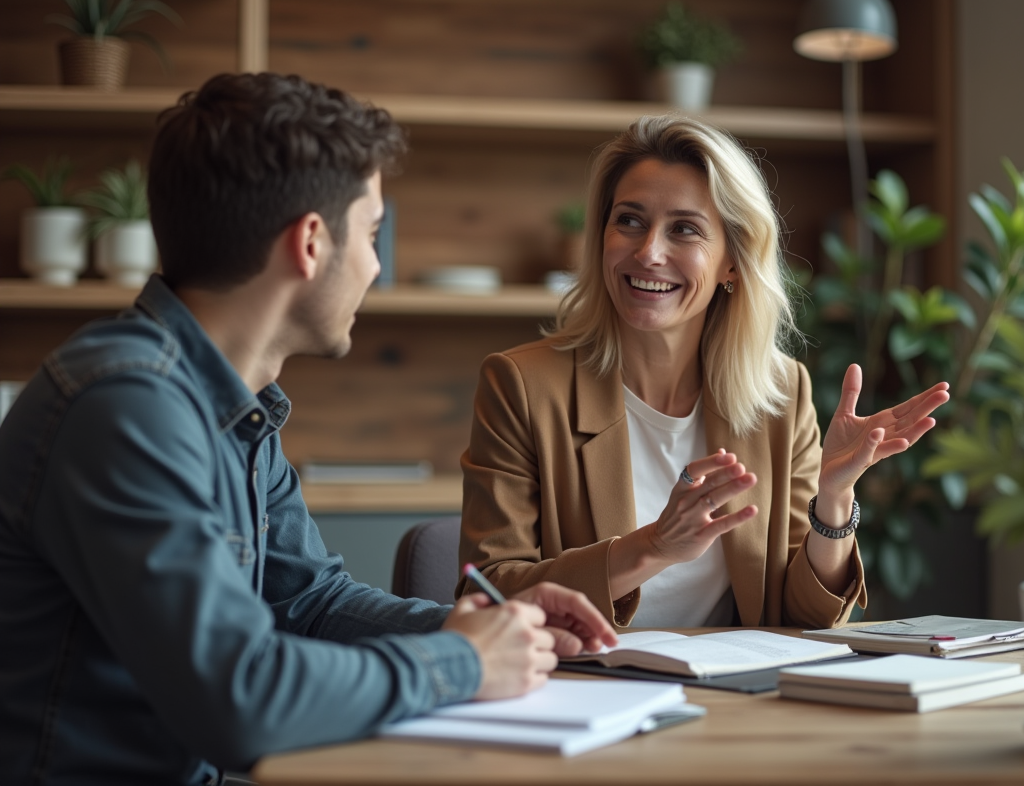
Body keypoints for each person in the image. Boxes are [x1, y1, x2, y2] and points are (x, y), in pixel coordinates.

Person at [0, 72, 616, 786]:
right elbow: (239, 697)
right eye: (373, 232)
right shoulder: (124, 407)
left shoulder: (231, 405)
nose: (376, 266)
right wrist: (466, 663)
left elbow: (310, 602)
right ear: (312, 242)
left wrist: (498, 624)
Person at [458, 115, 949, 629]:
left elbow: (804, 617)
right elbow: (487, 592)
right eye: (628, 220)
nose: (648, 252)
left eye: (685, 229)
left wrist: (834, 499)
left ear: (732, 263)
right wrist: (652, 547)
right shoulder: (521, 386)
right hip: (585, 692)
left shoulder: (780, 392)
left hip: (731, 700)